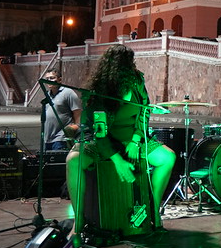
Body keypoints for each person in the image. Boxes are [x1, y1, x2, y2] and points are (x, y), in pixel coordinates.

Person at [66, 44, 176, 227]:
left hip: (132, 137)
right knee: (73, 161)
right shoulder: (99, 89)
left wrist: (136, 140)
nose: (130, 67)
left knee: (167, 157)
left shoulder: (136, 80)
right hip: (103, 141)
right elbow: (99, 131)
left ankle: (153, 211)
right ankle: (79, 221)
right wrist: (117, 160)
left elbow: (144, 111)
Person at [41, 69, 82, 151]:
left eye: (52, 78)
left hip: (61, 138)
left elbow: (77, 113)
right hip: (48, 138)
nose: (49, 80)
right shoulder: (48, 95)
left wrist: (75, 129)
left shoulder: (68, 93)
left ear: (59, 79)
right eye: (47, 78)